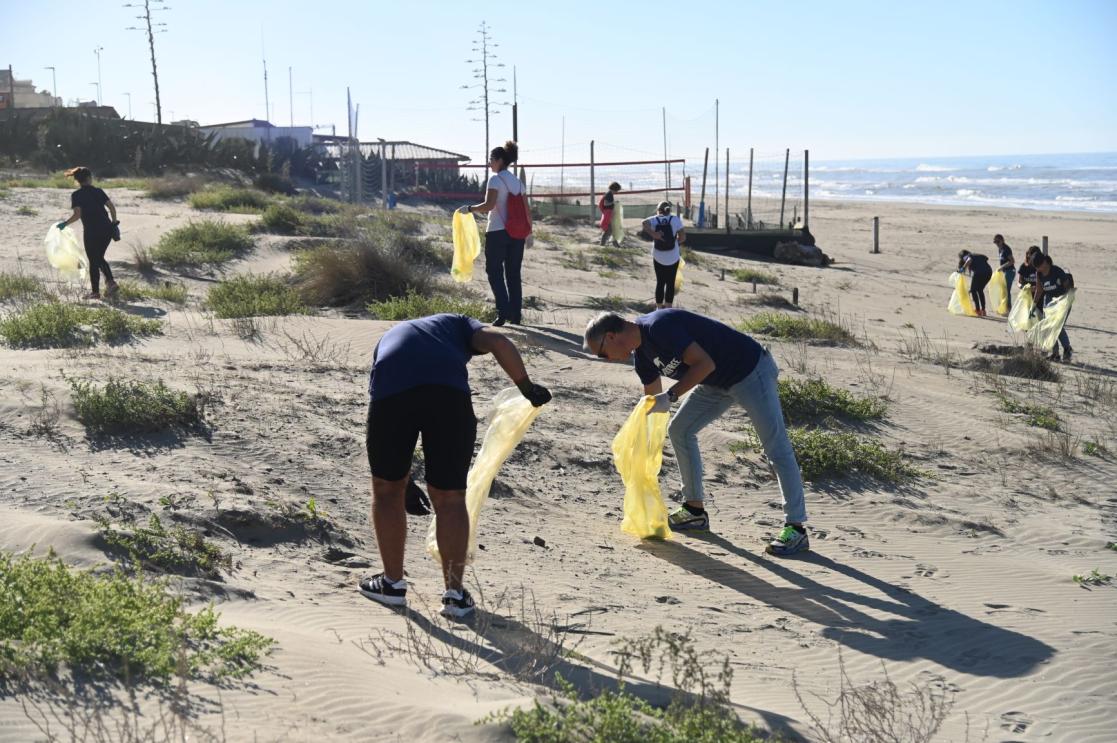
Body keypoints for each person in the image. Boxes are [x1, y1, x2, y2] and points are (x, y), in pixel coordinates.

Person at [360, 313, 552, 617]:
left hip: (392, 390)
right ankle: (455, 596)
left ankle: (392, 585)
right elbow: (499, 341)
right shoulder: (462, 324)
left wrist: (403, 482)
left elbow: (383, 402)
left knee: (386, 491)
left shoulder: (393, 336)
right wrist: (526, 387)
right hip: (449, 399)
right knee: (449, 497)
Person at [584, 309, 809, 557]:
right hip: (716, 383)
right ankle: (694, 511)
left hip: (749, 370)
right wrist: (641, 441)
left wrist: (670, 396)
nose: (608, 359)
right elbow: (651, 404)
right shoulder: (643, 359)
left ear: (611, 336)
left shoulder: (659, 326)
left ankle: (796, 528)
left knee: (775, 447)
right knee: (679, 430)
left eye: (603, 353)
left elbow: (705, 363)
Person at [461, 141, 531, 327]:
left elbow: (489, 205)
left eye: (491, 159)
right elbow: (527, 210)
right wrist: (529, 233)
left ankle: (502, 312)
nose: (489, 163)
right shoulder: (518, 182)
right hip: (517, 234)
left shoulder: (495, 180)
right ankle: (515, 315)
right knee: (513, 274)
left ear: (500, 160)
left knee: (494, 271)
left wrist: (469, 209)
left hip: (498, 232)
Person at [56, 166, 120, 300]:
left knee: (94, 259)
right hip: (107, 229)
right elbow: (112, 208)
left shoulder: (76, 195)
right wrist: (113, 223)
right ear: (89, 178)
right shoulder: (98, 191)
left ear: (78, 180)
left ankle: (97, 291)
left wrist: (64, 224)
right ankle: (110, 283)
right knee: (98, 257)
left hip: (91, 231)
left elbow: (77, 215)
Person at [642, 202, 685, 309]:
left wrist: (654, 234)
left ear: (658, 210)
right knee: (670, 282)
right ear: (669, 210)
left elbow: (644, 222)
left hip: (658, 256)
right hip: (673, 256)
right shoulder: (675, 219)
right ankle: (668, 307)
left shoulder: (654, 219)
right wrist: (674, 244)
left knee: (660, 282)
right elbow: (683, 237)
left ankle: (659, 307)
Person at [1033, 254, 1073, 362]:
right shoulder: (1039, 274)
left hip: (1062, 301)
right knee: (1050, 326)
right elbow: (1039, 290)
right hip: (1049, 301)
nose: (1039, 268)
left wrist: (1065, 302)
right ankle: (1055, 353)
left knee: (1057, 326)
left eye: (1040, 265)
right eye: (1037, 267)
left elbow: (1068, 288)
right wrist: (1033, 305)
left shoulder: (1057, 271)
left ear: (1045, 262)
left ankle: (1067, 349)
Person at [958, 249, 992, 317]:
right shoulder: (976, 255)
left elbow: (969, 260)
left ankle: (978, 310)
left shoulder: (968, 256)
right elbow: (986, 258)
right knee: (979, 290)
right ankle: (983, 310)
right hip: (989, 272)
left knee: (973, 290)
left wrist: (963, 268)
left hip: (980, 273)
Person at [1017, 245, 1043, 317]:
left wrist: (1038, 288)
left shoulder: (1041, 267)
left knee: (1039, 316)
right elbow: (1018, 283)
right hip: (1026, 297)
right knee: (1026, 316)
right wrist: (1024, 287)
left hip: (1039, 297)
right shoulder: (1023, 267)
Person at [993, 234, 1015, 311]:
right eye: (995, 242)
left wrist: (1002, 267)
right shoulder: (1000, 249)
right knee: (1003, 289)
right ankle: (1004, 305)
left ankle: (1008, 307)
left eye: (998, 242)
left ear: (1002, 240)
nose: (997, 244)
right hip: (1005, 271)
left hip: (1010, 271)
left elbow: (1012, 261)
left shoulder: (1006, 249)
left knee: (1006, 289)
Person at [598, 182, 622, 247]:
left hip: (607, 214)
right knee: (608, 230)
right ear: (614, 189)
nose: (616, 192)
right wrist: (613, 203)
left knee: (611, 230)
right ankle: (602, 245)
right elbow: (606, 204)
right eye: (617, 190)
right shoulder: (609, 194)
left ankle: (615, 245)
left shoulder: (608, 194)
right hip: (607, 214)